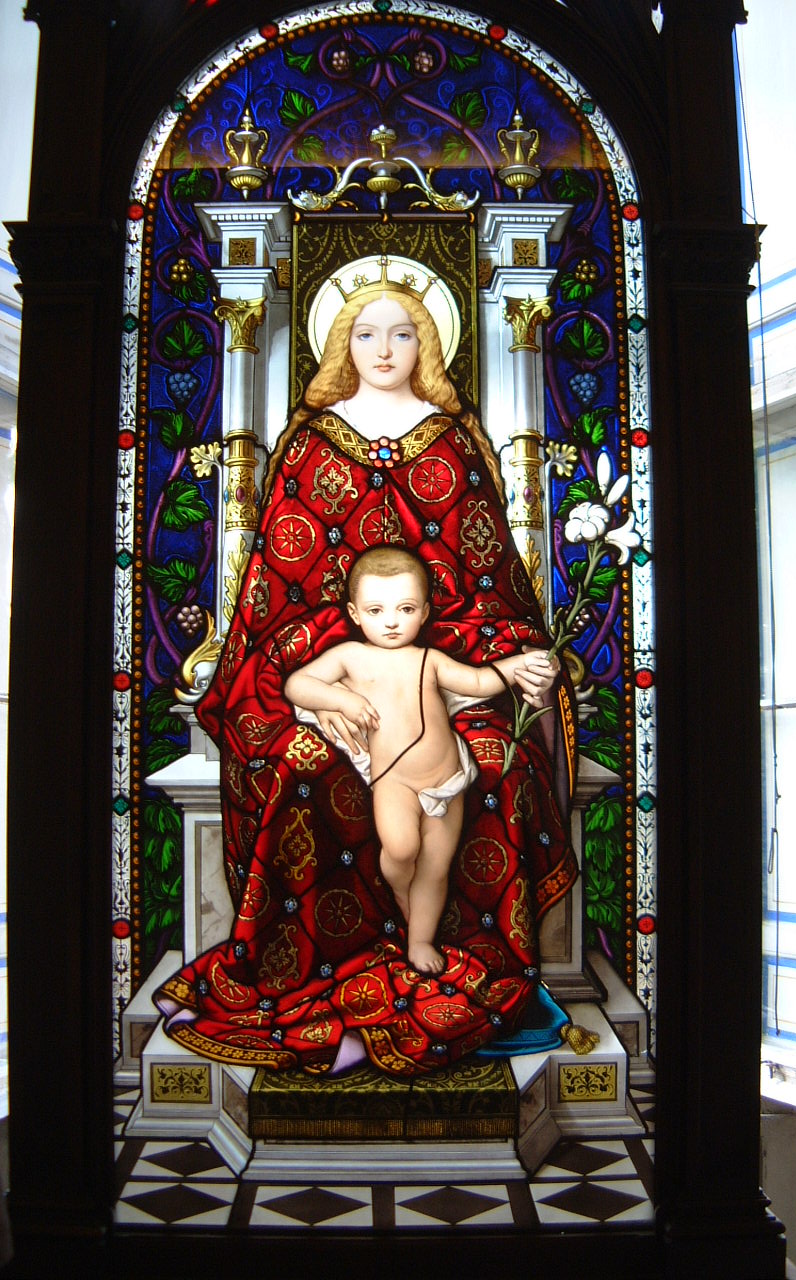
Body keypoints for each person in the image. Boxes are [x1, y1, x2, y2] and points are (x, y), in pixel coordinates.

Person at [155, 264, 579, 1078]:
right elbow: (280, 589)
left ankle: (449, 948)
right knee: (298, 767)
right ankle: (313, 966)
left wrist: (509, 656)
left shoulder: (452, 441)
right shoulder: (311, 443)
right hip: (331, 662)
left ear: (429, 344)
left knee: (500, 763)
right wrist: (324, 686)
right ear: (342, 345)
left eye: (404, 333)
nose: (385, 349)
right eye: (367, 333)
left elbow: (486, 581)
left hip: (440, 668)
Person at [284, 546, 560, 976]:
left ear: (426, 612)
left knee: (434, 867)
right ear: (355, 614)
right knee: (400, 849)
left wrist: (519, 664)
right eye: (376, 610)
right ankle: (402, 894)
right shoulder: (350, 657)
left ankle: (420, 940)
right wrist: (342, 700)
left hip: (449, 778)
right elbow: (298, 685)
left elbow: (478, 680)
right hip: (393, 781)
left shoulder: (430, 660)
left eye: (406, 608)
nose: (392, 622)